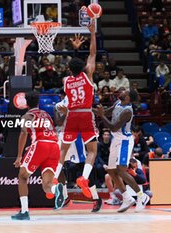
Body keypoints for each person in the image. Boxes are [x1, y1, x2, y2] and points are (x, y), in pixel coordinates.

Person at [55, 20, 98, 199]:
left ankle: (55, 179)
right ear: (84, 68)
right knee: (93, 151)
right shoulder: (88, 75)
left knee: (63, 150)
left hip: (71, 116)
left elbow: (74, 67)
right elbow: (93, 54)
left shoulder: (66, 81)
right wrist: (92, 33)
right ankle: (84, 178)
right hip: (86, 115)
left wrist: (74, 51)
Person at [11, 91, 64, 220]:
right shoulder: (47, 115)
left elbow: (23, 134)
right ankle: (56, 189)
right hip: (55, 146)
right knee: (47, 186)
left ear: (27, 103)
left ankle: (24, 211)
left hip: (41, 145)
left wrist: (19, 156)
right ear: (38, 102)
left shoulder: (27, 116)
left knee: (22, 177)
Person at [97, 90, 150, 213]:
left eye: (125, 92)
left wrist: (101, 115)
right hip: (116, 139)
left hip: (124, 141)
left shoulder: (127, 111)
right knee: (111, 171)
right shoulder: (118, 103)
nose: (121, 92)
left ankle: (142, 196)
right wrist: (87, 110)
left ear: (128, 98)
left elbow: (113, 126)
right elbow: (104, 112)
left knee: (121, 170)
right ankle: (127, 198)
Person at [54, 96, 102, 212]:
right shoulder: (58, 106)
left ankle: (96, 198)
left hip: (77, 138)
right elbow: (58, 122)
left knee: (82, 167)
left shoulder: (81, 104)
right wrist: (66, 114)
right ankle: (64, 196)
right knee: (57, 165)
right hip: (63, 136)